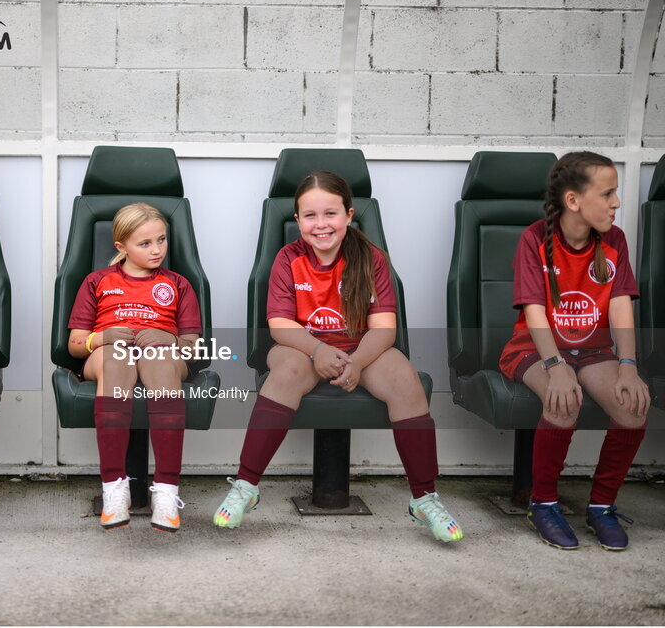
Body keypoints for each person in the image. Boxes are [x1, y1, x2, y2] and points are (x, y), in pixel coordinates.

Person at [212, 171, 463, 543]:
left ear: (349, 215)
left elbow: (384, 329)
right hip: (303, 347)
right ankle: (246, 486)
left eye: (330, 214)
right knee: (286, 369)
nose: (321, 224)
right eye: (310, 216)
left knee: (404, 377)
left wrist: (358, 362)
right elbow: (279, 325)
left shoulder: (370, 259)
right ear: (297, 220)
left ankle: (425, 498)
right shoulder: (287, 258)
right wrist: (316, 348)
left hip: (361, 348)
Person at [499, 151, 649, 551]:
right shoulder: (535, 239)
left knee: (632, 406)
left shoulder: (614, 239)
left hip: (593, 350)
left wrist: (628, 366)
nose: (617, 202)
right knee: (563, 398)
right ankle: (543, 502)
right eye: (608, 193)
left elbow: (620, 306)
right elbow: (534, 312)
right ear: (573, 201)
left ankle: (602, 505)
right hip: (533, 348)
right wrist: (557, 367)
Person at [67, 203, 201, 532]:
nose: (157, 250)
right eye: (145, 243)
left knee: (158, 358)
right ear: (120, 247)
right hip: (109, 353)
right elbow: (74, 345)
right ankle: (114, 491)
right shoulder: (97, 281)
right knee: (116, 360)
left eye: (161, 240)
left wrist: (167, 338)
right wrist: (101, 337)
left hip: (161, 355)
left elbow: (194, 348)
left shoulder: (179, 284)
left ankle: (166, 495)